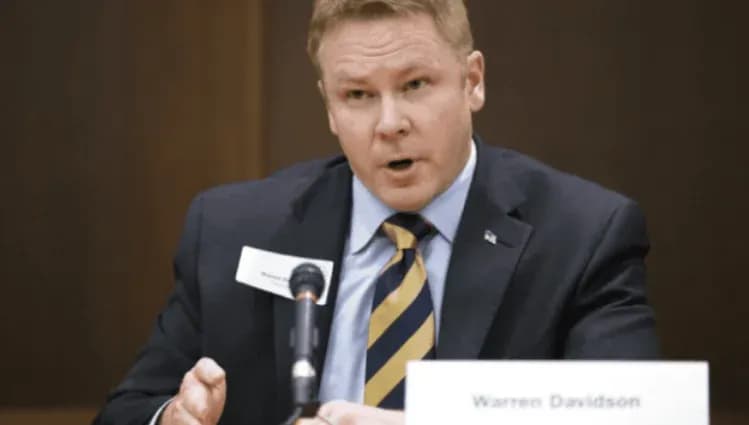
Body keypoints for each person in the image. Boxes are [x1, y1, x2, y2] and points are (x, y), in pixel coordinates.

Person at [94, 1, 659, 424]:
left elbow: (633, 417)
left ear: (472, 82)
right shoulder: (233, 231)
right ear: (329, 107)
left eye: (415, 85)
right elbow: (128, 411)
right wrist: (174, 418)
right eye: (358, 95)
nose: (389, 124)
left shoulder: (581, 237)